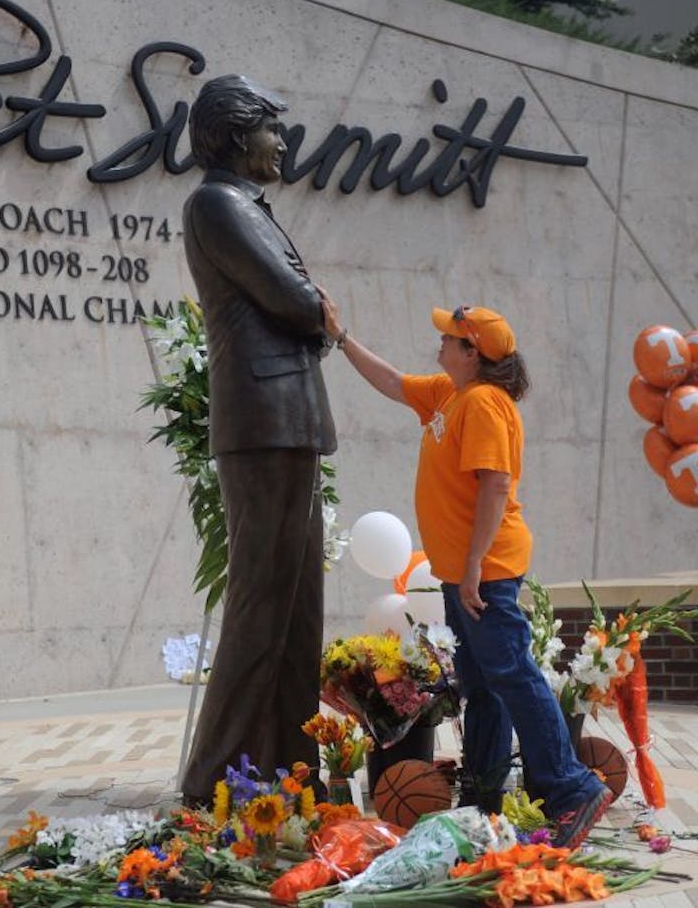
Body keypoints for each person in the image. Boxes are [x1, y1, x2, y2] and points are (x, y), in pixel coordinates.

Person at [319, 299, 611, 849]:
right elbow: (391, 381)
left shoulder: (482, 404)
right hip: (465, 572)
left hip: (488, 570)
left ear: (472, 352)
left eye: (450, 339)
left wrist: (474, 568)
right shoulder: (449, 393)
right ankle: (484, 796)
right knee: (482, 684)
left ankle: (571, 789)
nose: (440, 343)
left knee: (512, 675)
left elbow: (495, 486)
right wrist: (342, 336)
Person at [178, 75, 336, 804]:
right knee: (260, 605)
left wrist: (315, 315)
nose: (282, 141)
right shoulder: (216, 203)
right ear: (239, 134)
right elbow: (298, 301)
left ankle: (290, 774)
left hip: (291, 422)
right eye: (272, 128)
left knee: (300, 611)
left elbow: (311, 316)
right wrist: (315, 311)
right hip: (264, 425)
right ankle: (214, 782)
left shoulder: (251, 206)